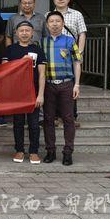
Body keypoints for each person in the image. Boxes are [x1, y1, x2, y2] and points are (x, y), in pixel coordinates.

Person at [41, 11, 82, 166]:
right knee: (48, 119)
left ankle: (68, 152)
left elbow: (77, 63)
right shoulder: (42, 42)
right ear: (47, 25)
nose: (55, 24)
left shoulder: (70, 41)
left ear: (63, 23)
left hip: (66, 84)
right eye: (51, 21)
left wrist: (77, 84)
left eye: (58, 21)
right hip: (48, 84)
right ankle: (50, 151)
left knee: (68, 119)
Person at [2, 21, 46, 165]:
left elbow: (42, 74)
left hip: (33, 92)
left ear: (32, 33)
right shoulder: (10, 49)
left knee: (34, 124)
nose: (25, 33)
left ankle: (34, 152)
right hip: (16, 92)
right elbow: (4, 70)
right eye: (22, 30)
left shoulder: (38, 50)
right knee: (18, 123)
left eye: (27, 30)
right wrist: (21, 61)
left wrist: (41, 94)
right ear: (16, 33)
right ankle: (19, 150)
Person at [51, 0, 87, 125]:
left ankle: (72, 116)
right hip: (54, 55)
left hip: (72, 54)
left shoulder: (77, 14)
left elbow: (82, 34)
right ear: (54, 0)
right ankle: (55, 116)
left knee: (71, 84)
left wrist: (80, 52)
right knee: (53, 85)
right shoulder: (49, 15)